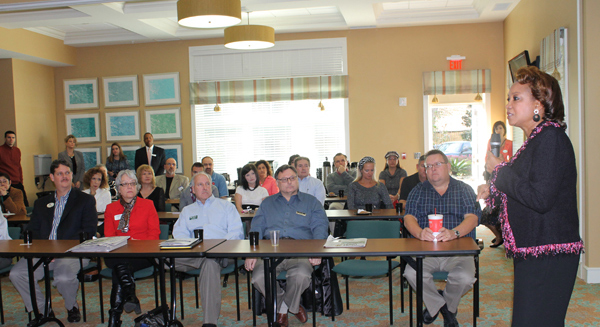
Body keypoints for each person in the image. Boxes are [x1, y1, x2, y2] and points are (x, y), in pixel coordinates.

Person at [477, 66, 583, 326]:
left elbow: (540, 198)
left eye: (516, 98)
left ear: (539, 104)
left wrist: (498, 171)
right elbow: (528, 189)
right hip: (537, 250)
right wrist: (494, 187)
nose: (508, 105)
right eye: (508, 99)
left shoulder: (551, 138)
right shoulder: (536, 140)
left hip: (548, 253)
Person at [10, 159, 97, 325]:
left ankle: (72, 306)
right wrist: (40, 249)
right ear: (52, 177)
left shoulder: (85, 200)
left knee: (63, 277)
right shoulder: (41, 203)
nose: (64, 176)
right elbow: (32, 230)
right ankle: (42, 309)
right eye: (60, 173)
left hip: (73, 252)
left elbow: (88, 231)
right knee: (17, 274)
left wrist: (59, 251)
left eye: (67, 173)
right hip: (42, 253)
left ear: (71, 175)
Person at [403, 149, 480, 327]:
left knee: (465, 277)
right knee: (411, 273)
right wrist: (419, 233)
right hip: (426, 250)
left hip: (458, 250)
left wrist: (455, 232)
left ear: (448, 166)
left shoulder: (464, 189)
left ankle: (439, 306)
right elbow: (409, 218)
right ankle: (445, 308)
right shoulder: (418, 191)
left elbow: (473, 218)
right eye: (428, 166)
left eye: (437, 164)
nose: (432, 169)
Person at [245, 165, 328, 327]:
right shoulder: (267, 203)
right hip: (271, 250)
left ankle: (282, 309)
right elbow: (256, 229)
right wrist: (251, 253)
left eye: (292, 178)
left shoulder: (311, 202)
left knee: (301, 276)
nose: (289, 182)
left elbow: (320, 228)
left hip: (300, 251)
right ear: (277, 182)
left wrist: (317, 251)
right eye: (284, 179)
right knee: (258, 278)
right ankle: (293, 306)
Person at [172, 172, 244, 327]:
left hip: (223, 252)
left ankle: (209, 322)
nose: (204, 187)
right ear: (192, 189)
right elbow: (179, 234)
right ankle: (207, 258)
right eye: (200, 184)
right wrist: (194, 247)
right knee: (161, 258)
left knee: (211, 262)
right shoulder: (187, 211)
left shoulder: (226, 206)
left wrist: (218, 248)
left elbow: (236, 232)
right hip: (195, 253)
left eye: (207, 184)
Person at [103, 170, 160, 327]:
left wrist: (135, 243)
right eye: (125, 184)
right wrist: (124, 244)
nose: (129, 187)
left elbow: (154, 235)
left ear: (137, 186)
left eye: (132, 183)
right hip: (117, 252)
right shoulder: (111, 209)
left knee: (119, 269)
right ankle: (130, 295)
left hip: (142, 253)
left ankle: (114, 316)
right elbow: (109, 236)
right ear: (119, 189)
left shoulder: (148, 205)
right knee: (119, 261)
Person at [482, 121, 513, 248]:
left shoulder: (510, 143)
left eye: (500, 128)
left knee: (505, 213)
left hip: (507, 180)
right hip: (492, 179)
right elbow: (487, 158)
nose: (498, 130)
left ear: (504, 130)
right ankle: (500, 236)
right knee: (486, 214)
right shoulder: (491, 142)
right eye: (496, 128)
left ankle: (508, 239)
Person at [0, 130, 28, 206]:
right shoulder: (1, 150)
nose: (11, 139)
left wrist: (21, 180)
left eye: (13, 137)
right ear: (5, 138)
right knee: (10, 206)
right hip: (7, 184)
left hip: (17, 182)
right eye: (9, 137)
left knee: (24, 205)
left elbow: (19, 166)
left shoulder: (17, 150)